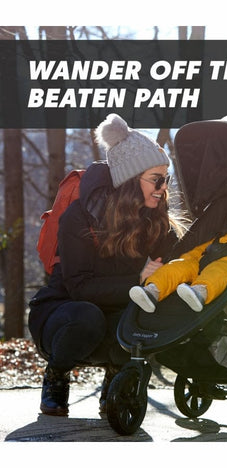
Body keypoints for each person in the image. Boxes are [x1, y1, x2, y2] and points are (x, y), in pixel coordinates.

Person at [28, 113, 187, 417]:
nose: (163, 187)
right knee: (88, 317)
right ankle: (57, 375)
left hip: (116, 317)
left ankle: (116, 379)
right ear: (130, 179)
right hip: (64, 317)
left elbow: (173, 271)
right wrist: (138, 279)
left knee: (141, 323)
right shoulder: (80, 217)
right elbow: (79, 288)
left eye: (166, 179)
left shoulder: (157, 223)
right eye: (156, 179)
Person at [129, 192, 227, 313]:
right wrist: (188, 258)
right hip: (203, 262)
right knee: (176, 267)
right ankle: (152, 290)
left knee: (219, 271)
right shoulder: (223, 236)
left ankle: (201, 292)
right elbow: (201, 249)